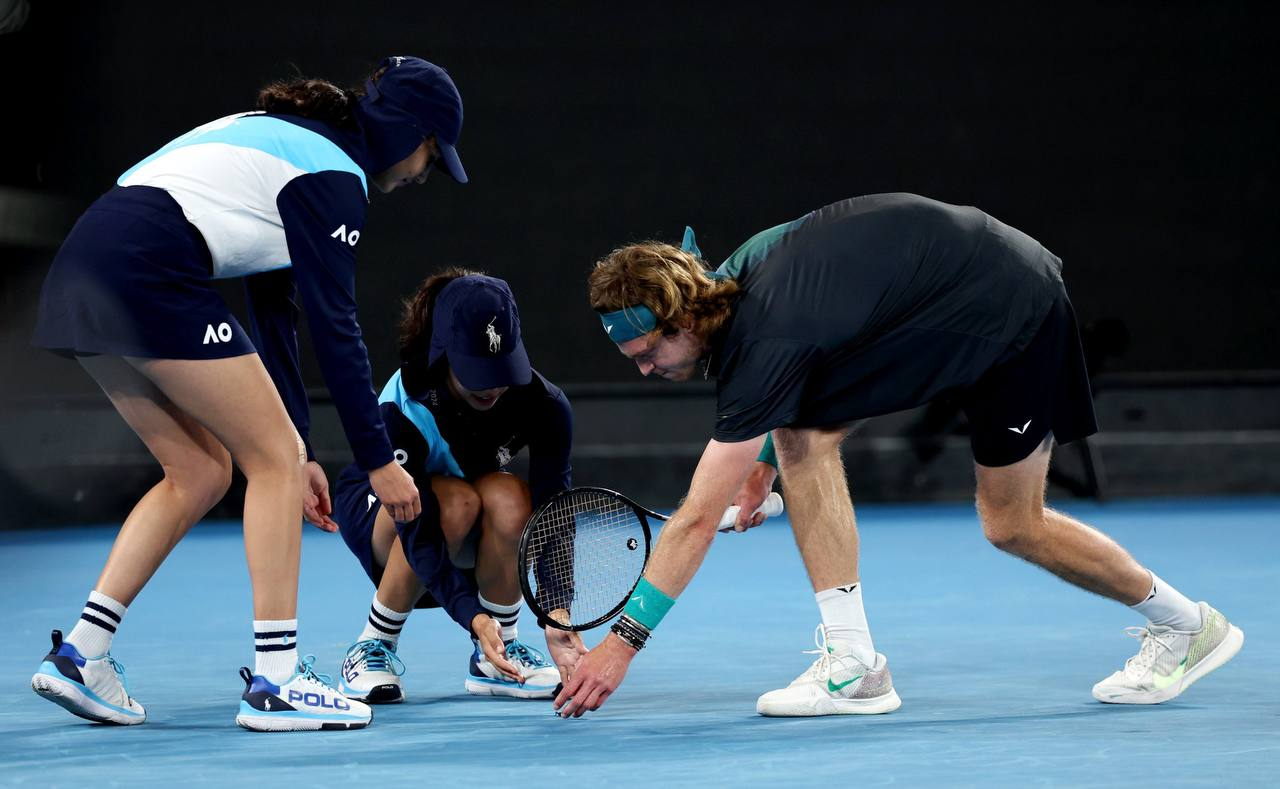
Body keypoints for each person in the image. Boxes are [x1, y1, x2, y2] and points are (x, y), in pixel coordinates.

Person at [561, 193, 1244, 718]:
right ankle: (855, 663)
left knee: (1014, 524)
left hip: (1013, 312)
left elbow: (693, 522)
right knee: (800, 439)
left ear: (683, 320)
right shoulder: (732, 286)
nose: (644, 371)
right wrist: (760, 466)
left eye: (647, 353)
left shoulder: (768, 331)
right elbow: (803, 379)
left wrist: (620, 647)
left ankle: (1188, 625)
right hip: (949, 293)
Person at [29, 55, 469, 732]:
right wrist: (377, 460)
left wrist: (302, 446)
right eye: (432, 156)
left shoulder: (294, 143)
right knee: (271, 460)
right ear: (410, 131)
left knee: (201, 469)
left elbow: (274, 311)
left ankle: (81, 653)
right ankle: (277, 680)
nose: (422, 173)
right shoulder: (334, 175)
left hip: (83, 271)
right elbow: (336, 328)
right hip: (148, 269)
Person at [332, 270, 582, 704]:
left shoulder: (546, 405)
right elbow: (420, 533)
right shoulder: (403, 407)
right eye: (476, 370)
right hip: (389, 517)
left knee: (512, 497)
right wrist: (472, 616)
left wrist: (556, 610)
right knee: (453, 501)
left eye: (501, 368)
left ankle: (498, 655)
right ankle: (374, 643)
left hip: (466, 522)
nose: (493, 385)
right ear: (444, 353)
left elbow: (553, 514)